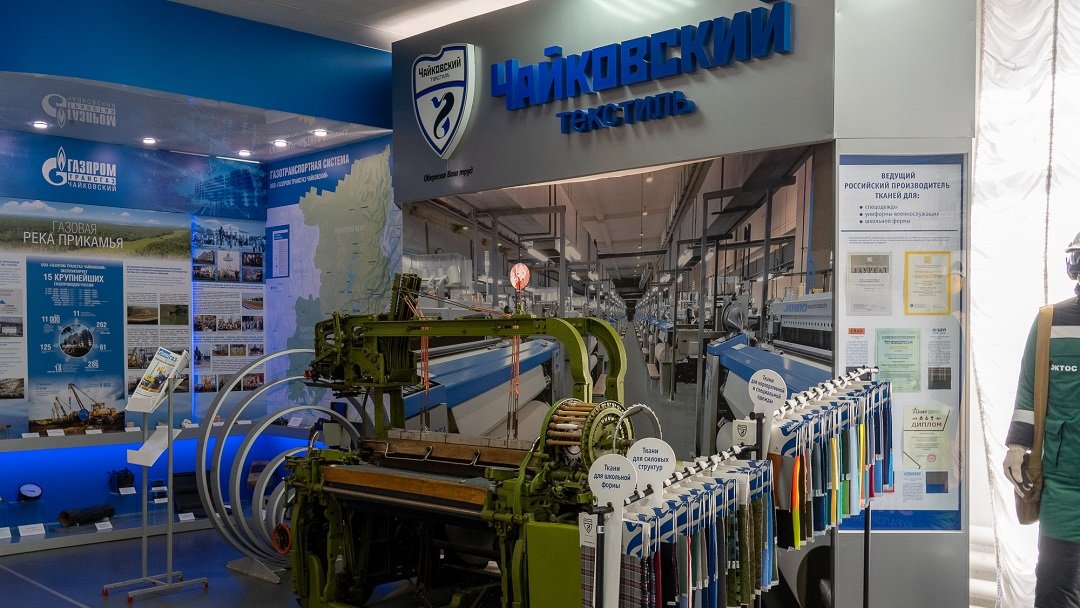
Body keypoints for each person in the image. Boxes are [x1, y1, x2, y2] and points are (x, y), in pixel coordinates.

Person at [1004, 231, 1080, 608]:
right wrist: (1017, 446)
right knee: (1055, 591)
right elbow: (1028, 391)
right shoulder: (1051, 321)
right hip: (1063, 489)